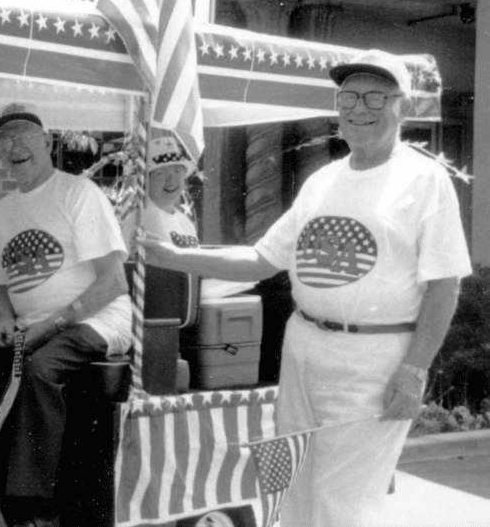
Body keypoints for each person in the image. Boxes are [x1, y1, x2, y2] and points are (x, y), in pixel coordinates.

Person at [138, 49, 470, 527]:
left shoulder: (424, 180)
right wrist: (171, 255)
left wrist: (414, 371)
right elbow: (260, 259)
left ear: (402, 106)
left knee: (343, 501)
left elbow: (444, 286)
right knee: (291, 486)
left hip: (373, 362)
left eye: (376, 96)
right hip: (303, 351)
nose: (360, 108)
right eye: (349, 96)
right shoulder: (322, 181)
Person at [0, 103, 132, 527]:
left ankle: (33, 509)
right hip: (29, 326)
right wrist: (4, 318)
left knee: (39, 370)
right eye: (4, 139)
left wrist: (55, 322)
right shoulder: (5, 210)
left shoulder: (78, 193)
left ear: (46, 141)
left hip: (92, 321)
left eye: (23, 134)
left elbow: (114, 282)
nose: (13, 145)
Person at [140, 135, 199, 248]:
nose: (171, 179)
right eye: (161, 173)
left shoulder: (185, 222)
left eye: (177, 171)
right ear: (147, 180)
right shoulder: (141, 217)